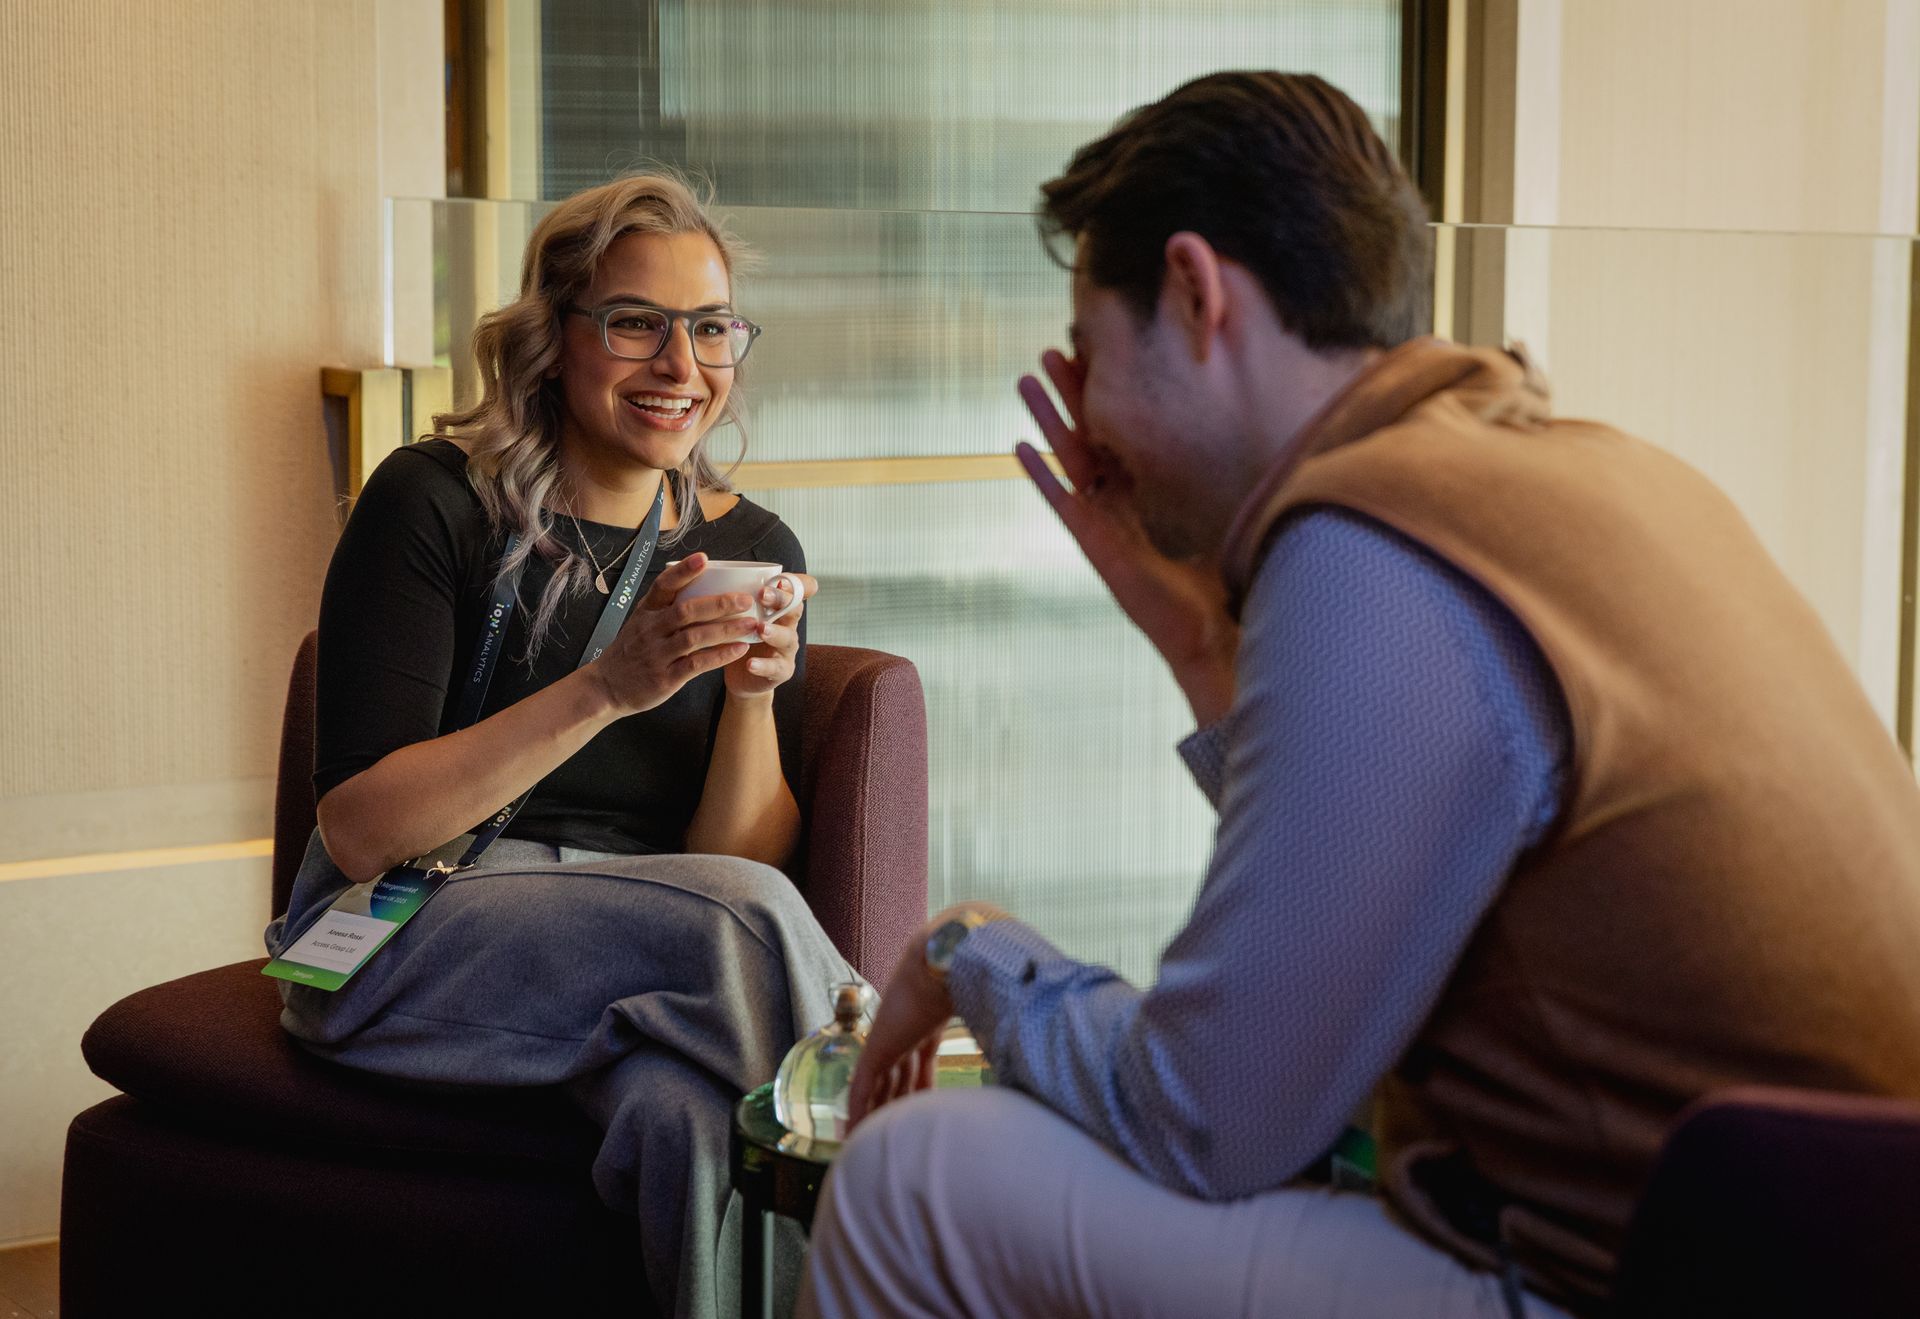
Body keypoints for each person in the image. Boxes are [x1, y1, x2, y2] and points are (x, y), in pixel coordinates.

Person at [798, 71, 1920, 1319]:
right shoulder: (1591, 471)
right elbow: (1335, 993)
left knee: (914, 1179)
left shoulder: (1372, 546)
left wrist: (971, 950)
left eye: (1094, 354)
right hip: (1831, 1251)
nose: (1093, 423)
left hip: (1639, 1283)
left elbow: (1213, 1117)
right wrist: (1200, 651)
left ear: (1195, 289)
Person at [264, 173, 853, 1319]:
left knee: (685, 1123)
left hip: (640, 958)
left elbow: (739, 846)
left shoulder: (750, 541)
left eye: (710, 327)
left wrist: (748, 695)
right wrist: (607, 686)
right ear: (554, 338)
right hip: (397, 937)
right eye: (636, 321)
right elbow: (361, 828)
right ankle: (953, 1168)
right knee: (743, 916)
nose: (680, 364)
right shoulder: (435, 500)